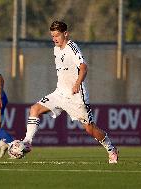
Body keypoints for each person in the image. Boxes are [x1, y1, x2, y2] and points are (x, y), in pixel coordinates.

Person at [23, 21, 118, 163]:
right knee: (35, 109)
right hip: (59, 93)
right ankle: (27, 142)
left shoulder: (72, 48)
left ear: (65, 34)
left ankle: (111, 148)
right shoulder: (56, 49)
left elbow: (84, 67)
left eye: (57, 35)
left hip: (76, 96)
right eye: (52, 36)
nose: (54, 39)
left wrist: (77, 84)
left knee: (90, 129)